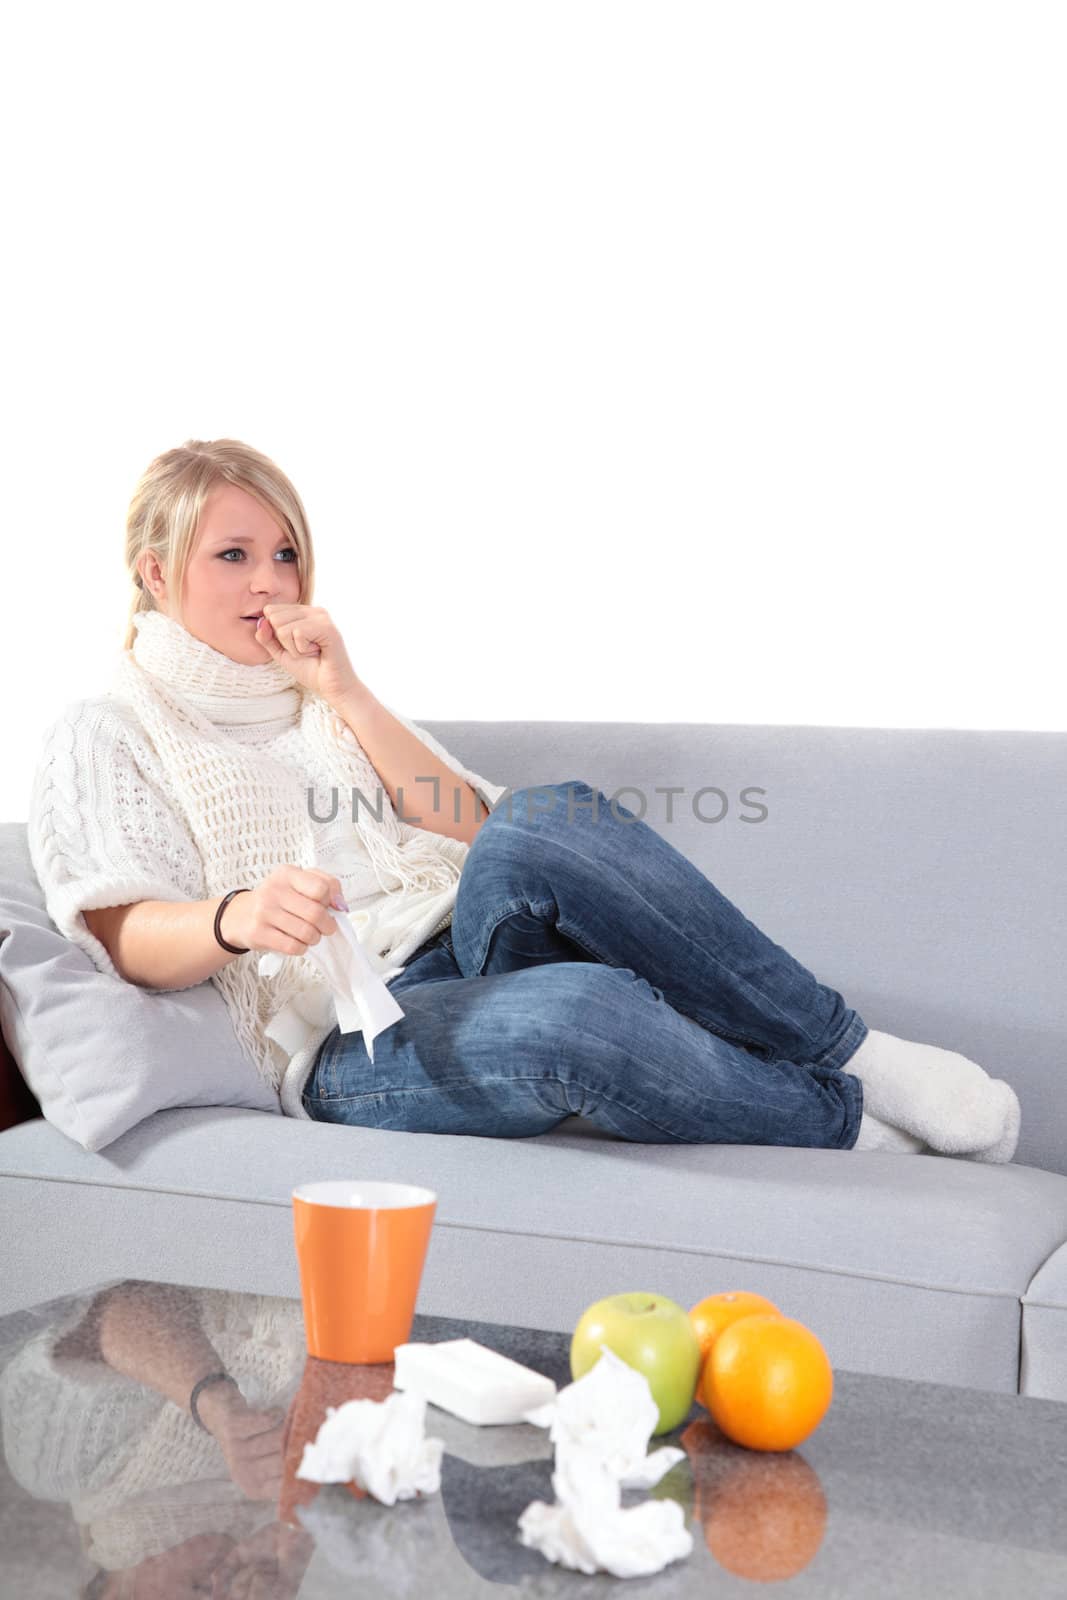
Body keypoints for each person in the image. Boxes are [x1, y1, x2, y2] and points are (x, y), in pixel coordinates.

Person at [27, 438, 1021, 1160]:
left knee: (547, 817)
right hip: (344, 1035)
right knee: (580, 1012)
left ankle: (860, 1053)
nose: (269, 580)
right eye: (232, 556)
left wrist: (348, 691)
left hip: (453, 936)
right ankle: (845, 1123)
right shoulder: (108, 725)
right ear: (157, 574)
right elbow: (122, 933)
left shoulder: (312, 692)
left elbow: (470, 824)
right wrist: (237, 917)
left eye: (284, 553)